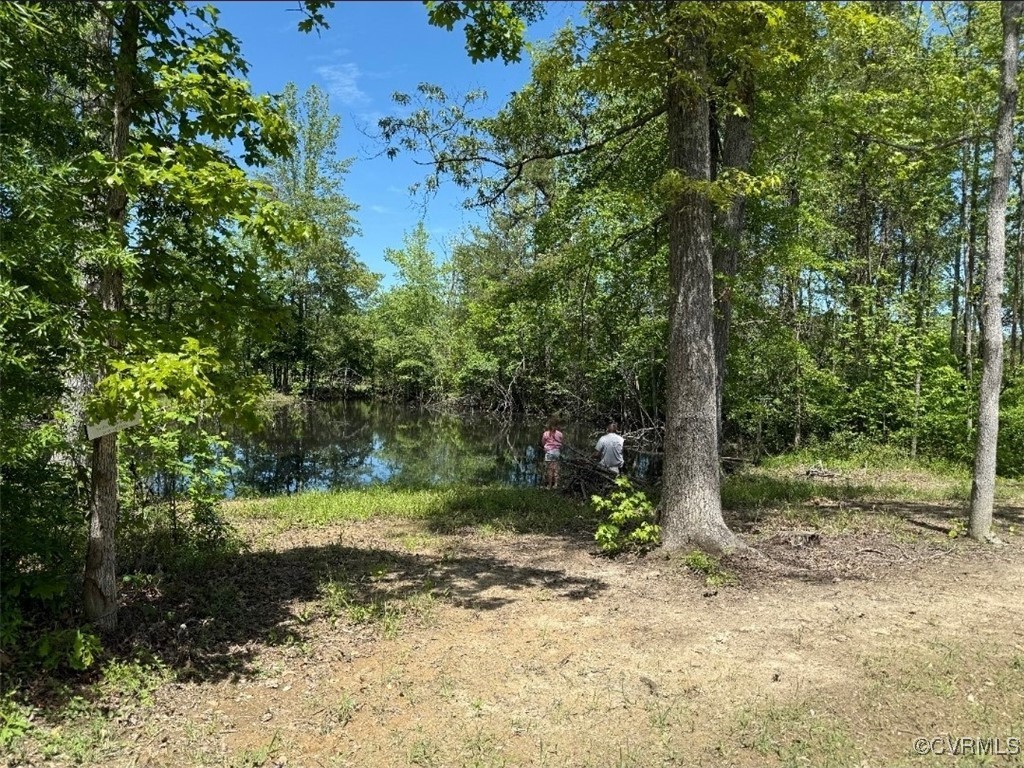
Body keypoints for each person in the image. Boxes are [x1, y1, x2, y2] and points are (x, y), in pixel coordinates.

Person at [540, 417, 564, 489]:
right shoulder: (560, 434)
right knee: (556, 469)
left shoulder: (545, 433)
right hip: (556, 452)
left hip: (549, 452)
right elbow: (562, 443)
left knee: (549, 469)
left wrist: (546, 447)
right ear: (557, 425)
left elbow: (543, 442)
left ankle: (549, 485)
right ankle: (556, 485)